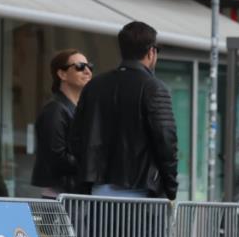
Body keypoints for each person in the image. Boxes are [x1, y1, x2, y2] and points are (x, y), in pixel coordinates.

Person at [70, 22, 177, 199]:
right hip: (140, 191)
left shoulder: (94, 86)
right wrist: (170, 188)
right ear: (151, 52)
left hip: (97, 190)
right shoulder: (154, 88)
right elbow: (166, 141)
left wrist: (88, 177)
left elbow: (76, 137)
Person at [32, 49, 92, 198]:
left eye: (90, 66)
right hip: (60, 196)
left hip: (75, 194)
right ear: (62, 74)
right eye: (79, 66)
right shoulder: (55, 109)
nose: (87, 71)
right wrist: (92, 163)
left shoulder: (80, 108)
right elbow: (57, 157)